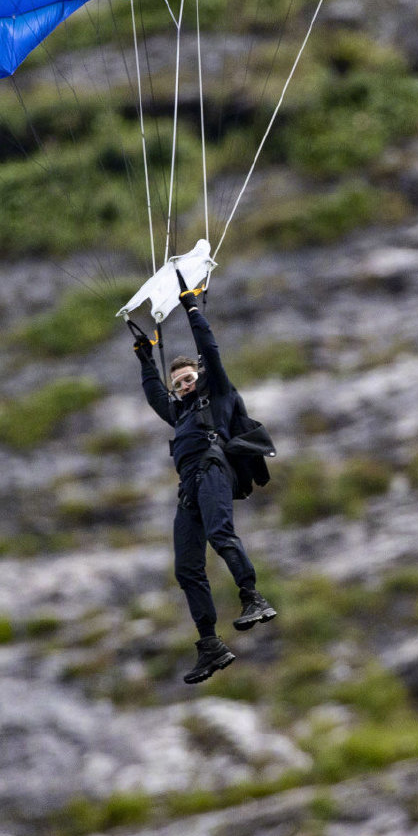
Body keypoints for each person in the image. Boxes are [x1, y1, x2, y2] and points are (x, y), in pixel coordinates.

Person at [132, 273, 276, 684]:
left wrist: (192, 307)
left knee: (220, 532)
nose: (183, 385)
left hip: (215, 470)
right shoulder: (179, 413)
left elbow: (209, 351)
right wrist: (146, 358)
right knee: (187, 568)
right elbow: (154, 394)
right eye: (178, 384)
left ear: (199, 376)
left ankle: (252, 596)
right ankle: (210, 644)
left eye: (188, 378)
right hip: (189, 488)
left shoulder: (220, 393)